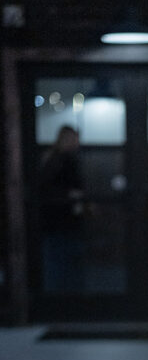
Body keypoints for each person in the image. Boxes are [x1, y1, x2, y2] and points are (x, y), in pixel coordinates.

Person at [37, 125, 85, 294]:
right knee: (60, 263)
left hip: (62, 220)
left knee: (65, 263)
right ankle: (63, 298)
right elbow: (47, 189)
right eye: (73, 138)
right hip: (59, 220)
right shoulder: (60, 160)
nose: (77, 142)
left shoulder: (60, 159)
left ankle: (65, 298)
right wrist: (71, 195)